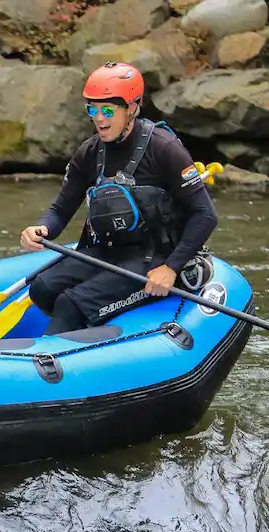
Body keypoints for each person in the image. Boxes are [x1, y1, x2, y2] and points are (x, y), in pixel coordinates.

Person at [19, 62, 218, 335]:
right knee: (42, 289)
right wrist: (42, 228)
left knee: (70, 303)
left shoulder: (164, 149)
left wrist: (171, 268)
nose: (99, 119)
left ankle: (64, 336)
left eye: (108, 110)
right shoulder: (88, 152)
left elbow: (205, 214)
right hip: (108, 251)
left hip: (154, 258)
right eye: (93, 109)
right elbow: (61, 208)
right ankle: (86, 330)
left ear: (132, 107)